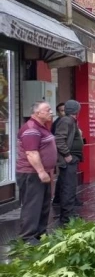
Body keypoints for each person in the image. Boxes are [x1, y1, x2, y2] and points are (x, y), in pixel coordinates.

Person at [17, 101, 56, 244]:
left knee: (43, 204)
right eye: (48, 109)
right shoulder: (31, 129)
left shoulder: (42, 127)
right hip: (31, 174)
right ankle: (28, 237)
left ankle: (40, 234)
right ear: (37, 113)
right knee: (33, 205)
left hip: (42, 172)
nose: (51, 112)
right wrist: (41, 172)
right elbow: (31, 153)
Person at [54, 100, 84, 226]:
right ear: (76, 110)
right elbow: (59, 139)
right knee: (68, 187)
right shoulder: (66, 121)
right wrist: (67, 155)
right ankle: (67, 217)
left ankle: (69, 213)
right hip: (68, 161)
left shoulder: (70, 121)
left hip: (72, 159)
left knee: (70, 187)